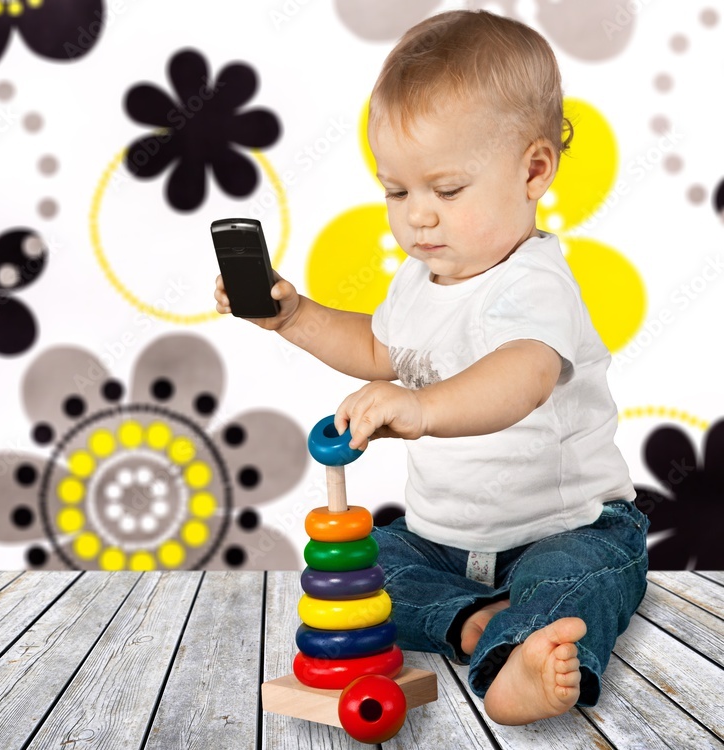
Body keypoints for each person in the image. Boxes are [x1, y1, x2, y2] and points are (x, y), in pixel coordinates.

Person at [214, 9, 649, 726]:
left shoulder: (533, 282)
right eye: (397, 191)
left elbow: (522, 377)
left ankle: (523, 657)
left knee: (578, 580)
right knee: (363, 562)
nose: (418, 217)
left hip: (567, 527)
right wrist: (294, 316)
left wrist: (420, 409)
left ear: (534, 170)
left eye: (446, 191)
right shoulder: (421, 280)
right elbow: (385, 353)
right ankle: (480, 624)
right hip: (446, 543)